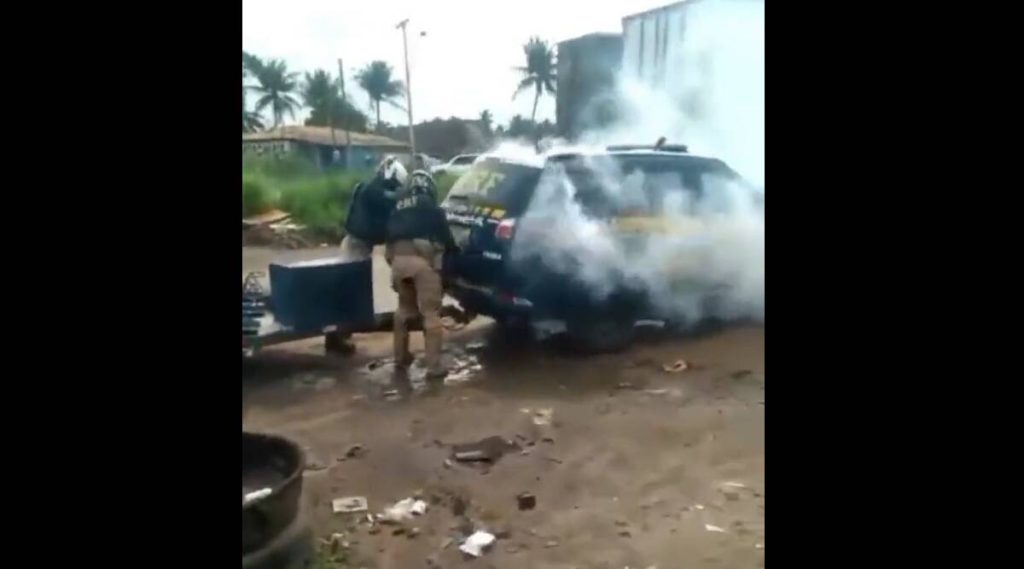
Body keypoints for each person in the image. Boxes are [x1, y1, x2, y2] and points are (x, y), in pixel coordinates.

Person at [385, 170, 458, 379]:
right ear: (429, 187)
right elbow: (448, 241)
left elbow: (387, 247)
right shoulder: (432, 207)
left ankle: (401, 359)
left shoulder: (396, 208)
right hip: (421, 263)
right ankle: (434, 367)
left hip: (398, 262)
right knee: (430, 313)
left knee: (403, 311)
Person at [339, 156, 408, 261]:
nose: (395, 187)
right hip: (356, 244)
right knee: (355, 274)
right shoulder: (373, 190)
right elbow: (378, 196)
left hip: (357, 243)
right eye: (394, 184)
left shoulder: (369, 187)